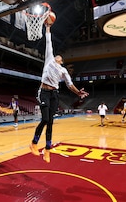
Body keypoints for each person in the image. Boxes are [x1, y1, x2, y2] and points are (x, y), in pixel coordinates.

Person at [29, 24, 89, 163]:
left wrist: (78, 93)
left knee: (50, 122)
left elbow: (69, 84)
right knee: (45, 119)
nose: (57, 56)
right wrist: (48, 27)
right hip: (44, 92)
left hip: (54, 94)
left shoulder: (63, 71)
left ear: (61, 61)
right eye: (56, 55)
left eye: (59, 57)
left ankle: (47, 149)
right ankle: (34, 143)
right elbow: (48, 41)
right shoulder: (49, 59)